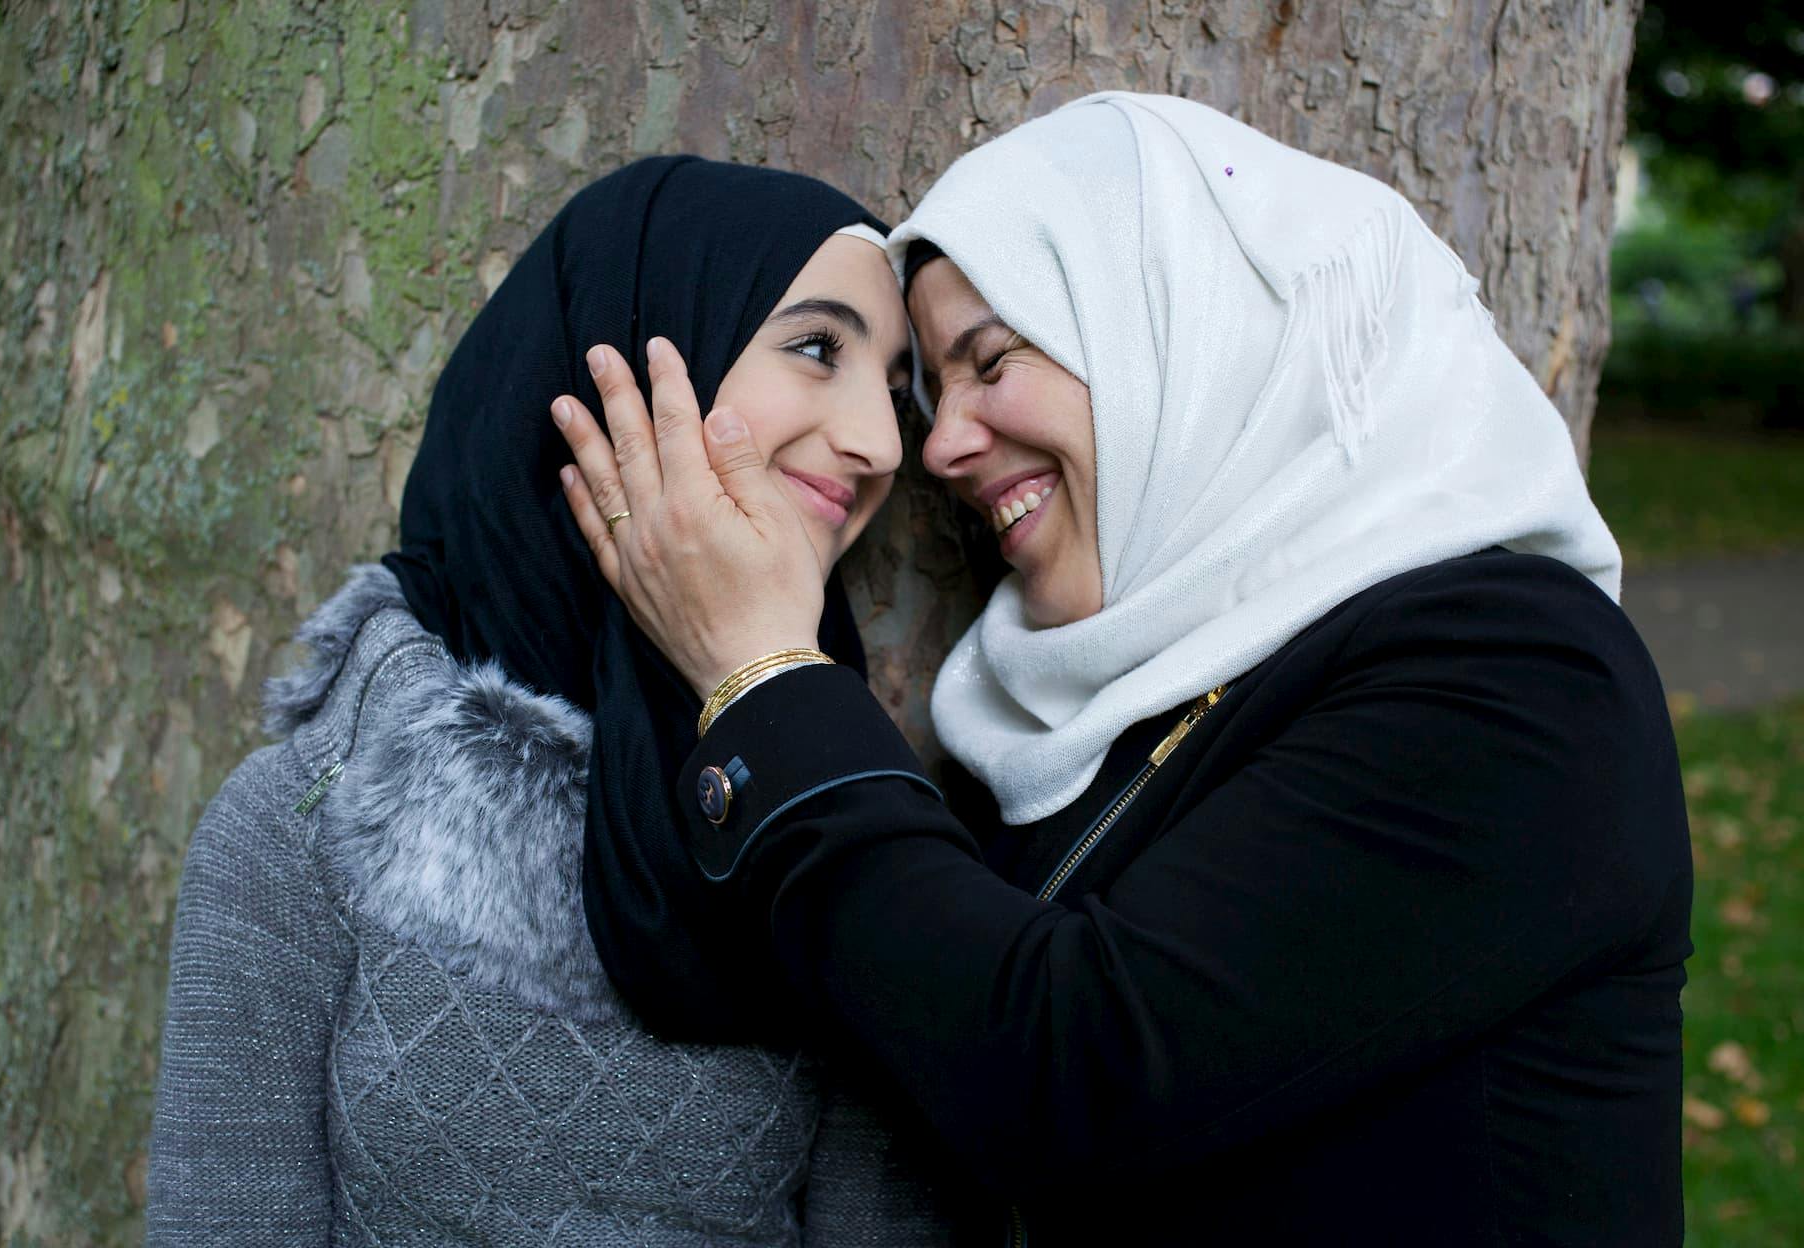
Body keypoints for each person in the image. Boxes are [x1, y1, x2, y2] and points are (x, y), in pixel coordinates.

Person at [553, 95, 1692, 1245]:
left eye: (990, 361)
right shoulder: (1090, 709)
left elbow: (1066, 1076)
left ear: (1184, 334)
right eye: (932, 394)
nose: (932, 446)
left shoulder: (1518, 683)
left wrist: (762, 677)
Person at [145, 154, 942, 1246]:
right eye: (816, 348)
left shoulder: (847, 822)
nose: (881, 442)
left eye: (897, 389)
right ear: (635, 350)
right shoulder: (309, 823)